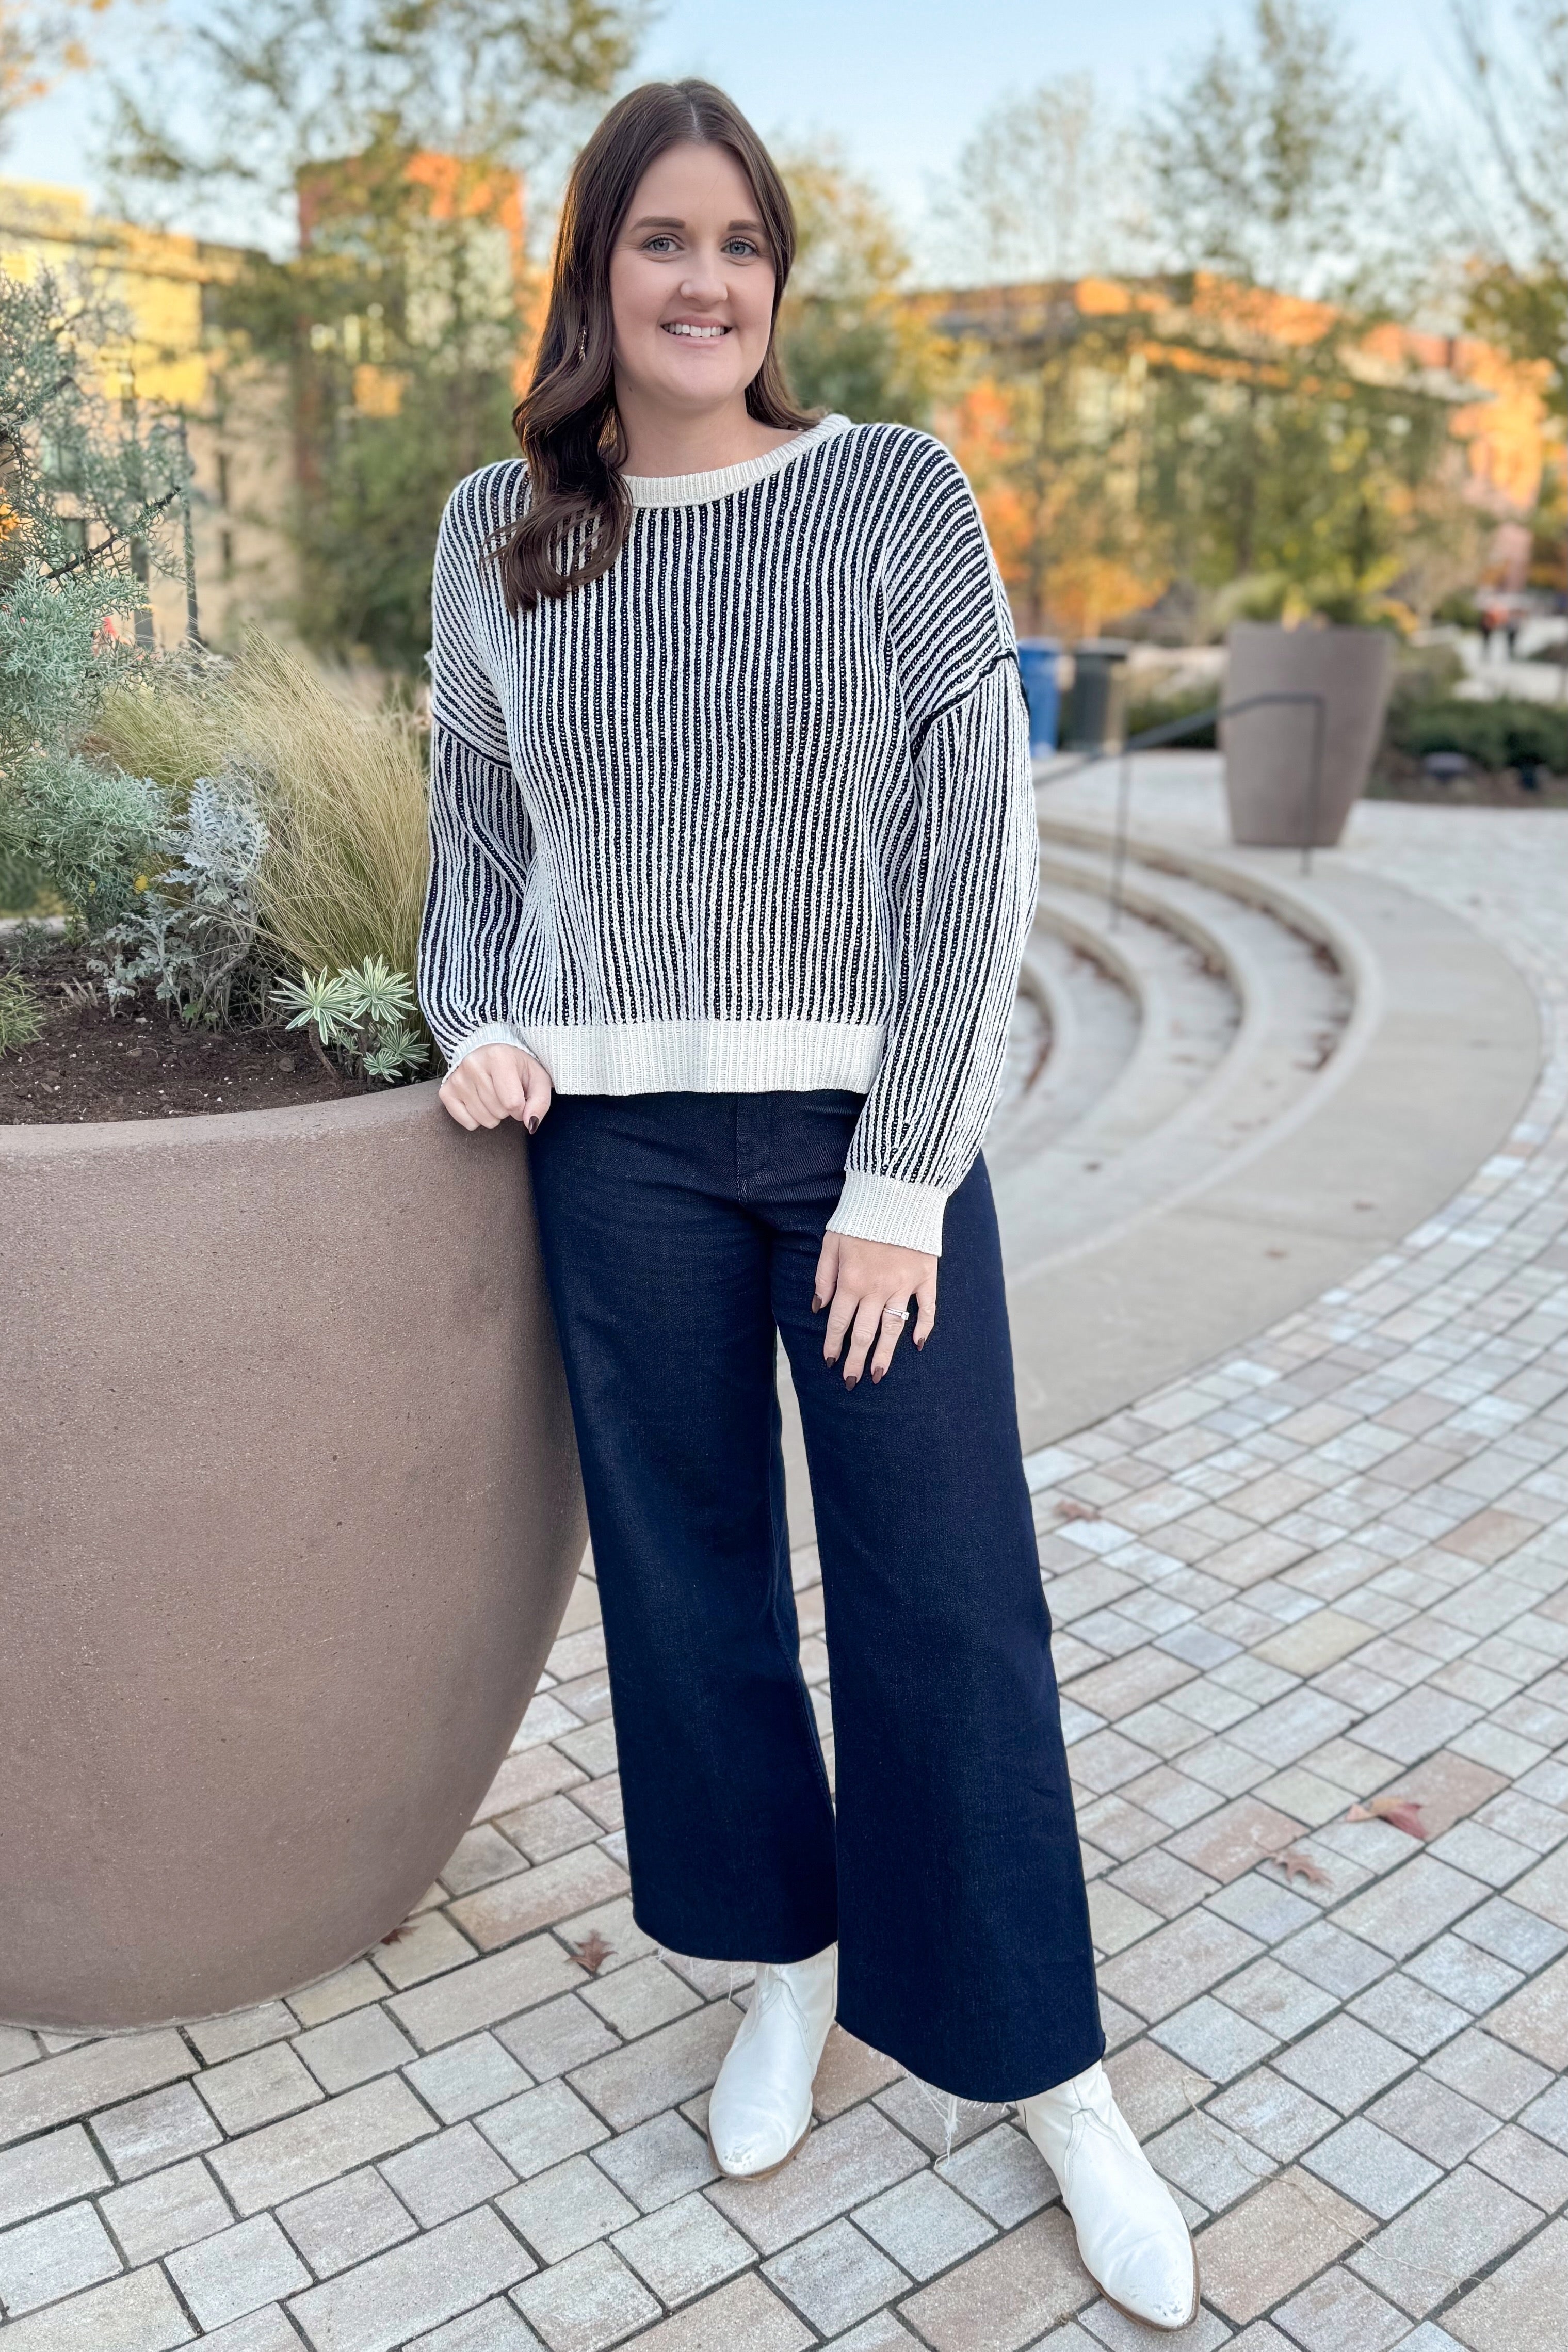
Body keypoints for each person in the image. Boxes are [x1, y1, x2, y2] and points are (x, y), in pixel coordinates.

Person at [419, 78, 1197, 2333]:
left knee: (947, 1600)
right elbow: (470, 829)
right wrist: (473, 1014)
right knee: (687, 1592)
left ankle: (1049, 2075)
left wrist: (903, 1173)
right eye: (660, 240)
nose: (702, 280)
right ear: (595, 270)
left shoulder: (889, 496)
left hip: (864, 1152)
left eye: (738, 243)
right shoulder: (503, 527)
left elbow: (978, 844)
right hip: (619, 1151)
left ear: (774, 277)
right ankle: (773, 1974)